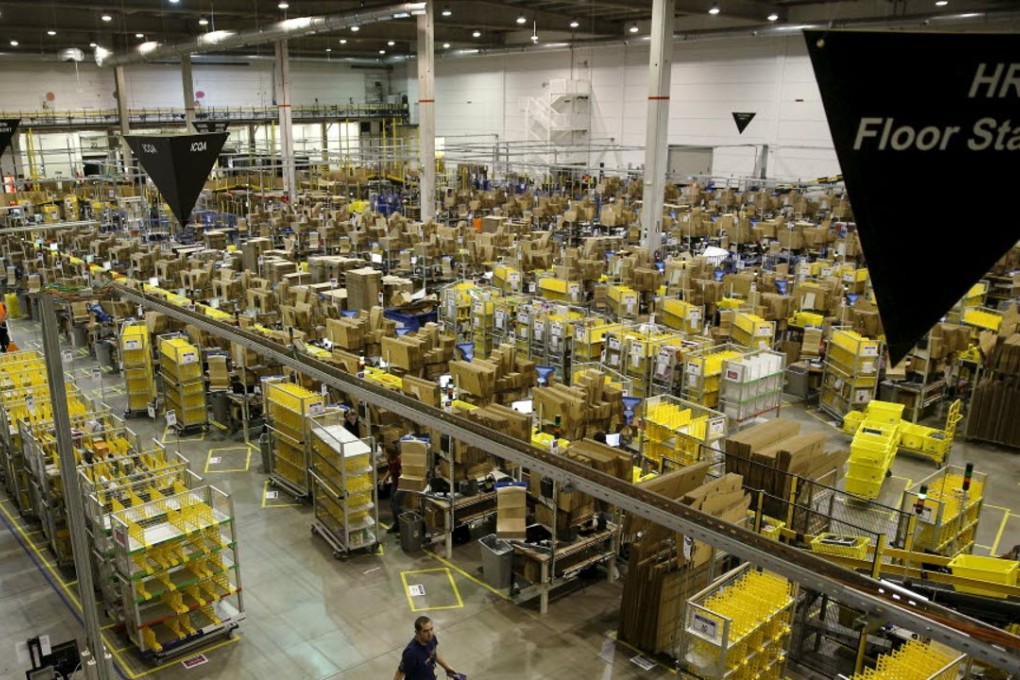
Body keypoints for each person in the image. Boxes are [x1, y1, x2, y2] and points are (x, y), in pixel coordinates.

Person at [394, 616, 460, 680]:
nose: (430, 633)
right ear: (417, 633)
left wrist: (447, 667)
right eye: (425, 631)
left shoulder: (431, 639)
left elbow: (434, 653)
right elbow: (400, 673)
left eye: (431, 629)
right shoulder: (411, 653)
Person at [381, 448, 402, 533]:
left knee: (395, 503)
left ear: (390, 453)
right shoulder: (390, 460)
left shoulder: (398, 463)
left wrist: (399, 489)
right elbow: (389, 470)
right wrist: (383, 480)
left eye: (385, 452)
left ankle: (398, 524)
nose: (384, 454)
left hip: (400, 486)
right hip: (394, 484)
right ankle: (399, 522)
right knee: (393, 504)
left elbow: (402, 476)